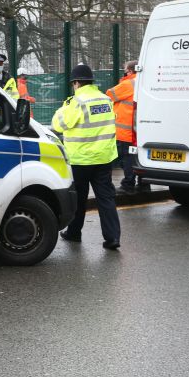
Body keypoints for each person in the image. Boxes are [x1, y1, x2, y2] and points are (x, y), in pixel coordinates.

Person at [51, 63, 122, 250]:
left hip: (80, 160)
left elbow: (58, 125)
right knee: (106, 198)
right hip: (104, 157)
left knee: (79, 199)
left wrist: (63, 107)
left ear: (76, 83)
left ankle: (74, 233)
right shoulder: (105, 99)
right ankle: (113, 238)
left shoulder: (77, 102)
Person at [106, 60, 138, 193]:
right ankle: (143, 183)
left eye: (125, 69)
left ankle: (128, 184)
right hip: (137, 128)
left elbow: (109, 95)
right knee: (136, 156)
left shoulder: (128, 83)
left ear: (130, 71)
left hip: (125, 130)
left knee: (126, 157)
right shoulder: (143, 81)